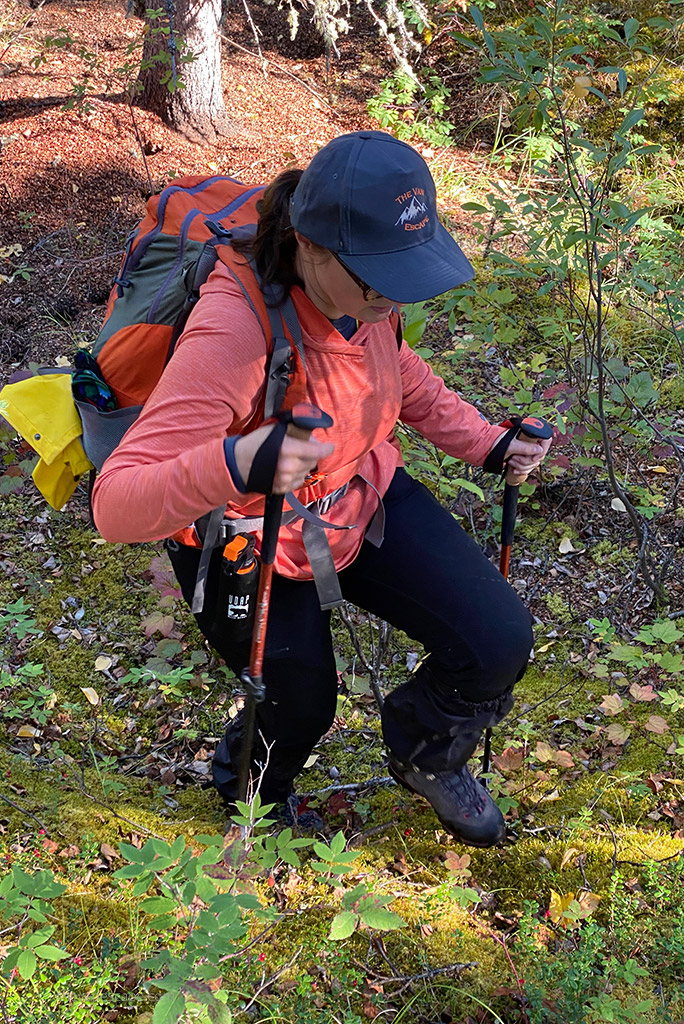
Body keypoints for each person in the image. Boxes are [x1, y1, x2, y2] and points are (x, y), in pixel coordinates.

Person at [93, 130, 551, 848]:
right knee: (301, 704)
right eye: (378, 277)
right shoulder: (233, 330)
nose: (394, 294)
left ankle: (426, 754)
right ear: (309, 245)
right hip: (250, 535)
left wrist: (488, 443)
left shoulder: (368, 295)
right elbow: (117, 504)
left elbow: (400, 373)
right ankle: (254, 796)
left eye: (404, 273)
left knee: (497, 639)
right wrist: (241, 463)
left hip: (358, 494)